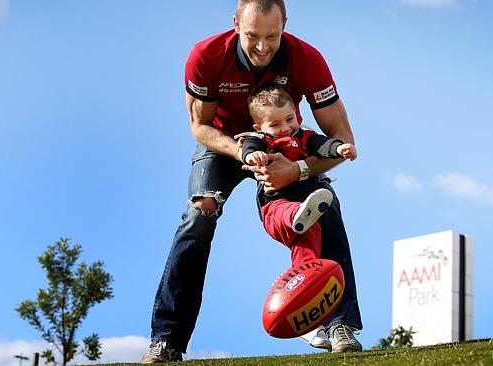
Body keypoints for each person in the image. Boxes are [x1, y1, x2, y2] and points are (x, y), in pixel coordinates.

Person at [142, 0, 363, 362]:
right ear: (235, 25)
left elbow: (341, 136)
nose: (262, 46)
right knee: (199, 216)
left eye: (272, 36)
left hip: (284, 146)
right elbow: (199, 126)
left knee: (326, 202)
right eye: (252, 36)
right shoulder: (206, 56)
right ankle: (167, 340)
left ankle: (339, 324)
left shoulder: (307, 59)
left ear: (285, 25)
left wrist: (298, 171)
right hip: (225, 144)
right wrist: (243, 151)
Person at [241, 85, 357, 269]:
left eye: (289, 119)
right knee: (294, 213)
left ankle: (306, 273)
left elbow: (322, 145)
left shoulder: (304, 136)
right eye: (275, 124)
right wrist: (252, 156)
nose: (286, 128)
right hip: (275, 207)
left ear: (296, 114)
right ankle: (298, 213)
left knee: (309, 234)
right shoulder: (261, 140)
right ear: (259, 127)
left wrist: (338, 148)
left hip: (307, 214)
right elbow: (249, 149)